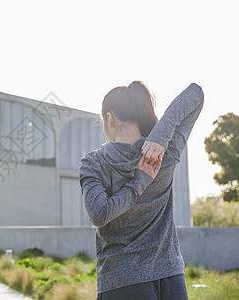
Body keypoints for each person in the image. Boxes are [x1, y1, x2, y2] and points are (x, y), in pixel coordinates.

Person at [79, 81, 204, 300]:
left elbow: (99, 214)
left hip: (121, 282)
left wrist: (140, 178)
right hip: (171, 278)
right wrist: (160, 138)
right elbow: (196, 93)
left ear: (110, 118)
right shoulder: (165, 152)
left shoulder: (94, 162)